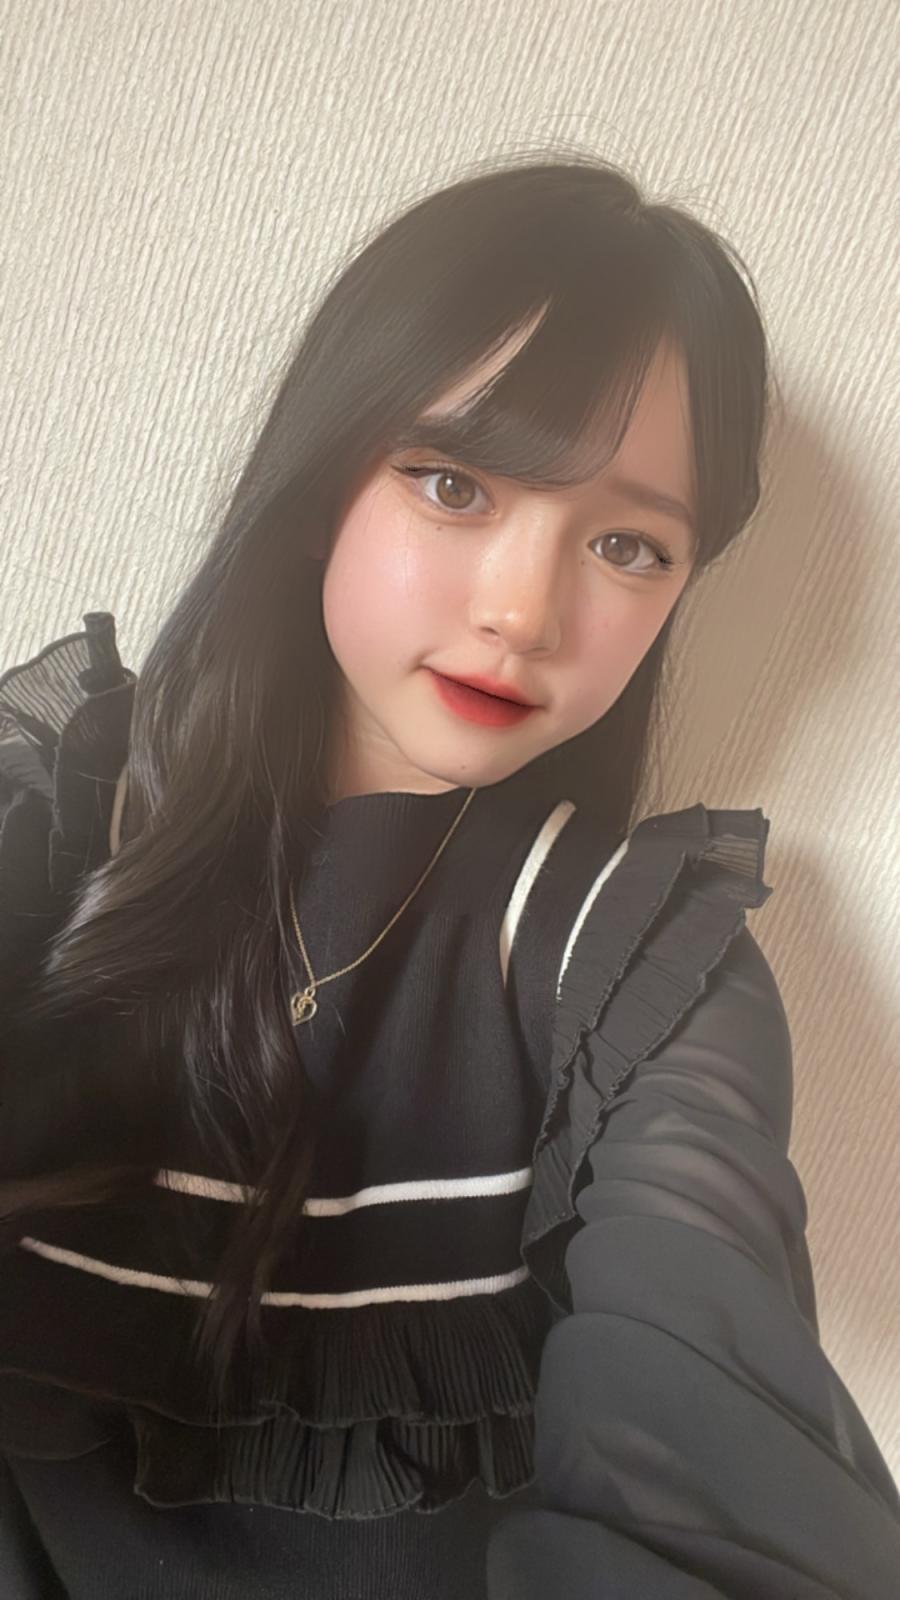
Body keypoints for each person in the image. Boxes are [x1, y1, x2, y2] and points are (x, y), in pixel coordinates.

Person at [0, 153, 897, 1600]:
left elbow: (711, 1429)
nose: (525, 611)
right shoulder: (51, 819)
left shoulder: (637, 969)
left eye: (628, 544)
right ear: (322, 485)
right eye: (453, 483)